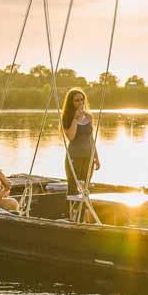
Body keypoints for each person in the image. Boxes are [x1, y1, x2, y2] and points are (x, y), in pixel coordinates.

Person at [59, 88, 102, 223]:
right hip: (74, 158)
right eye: (77, 100)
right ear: (71, 103)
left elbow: (91, 138)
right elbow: (71, 137)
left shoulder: (89, 117)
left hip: (88, 158)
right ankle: (74, 219)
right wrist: (76, 119)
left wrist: (96, 156)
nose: (80, 102)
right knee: (74, 190)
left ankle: (84, 220)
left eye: (82, 99)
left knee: (85, 190)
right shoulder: (67, 117)